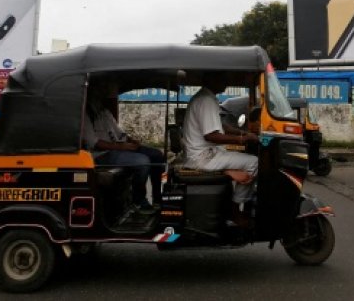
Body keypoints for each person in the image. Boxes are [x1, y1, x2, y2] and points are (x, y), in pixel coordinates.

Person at [182, 75, 259, 226]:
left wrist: (243, 134)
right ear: (212, 79)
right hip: (203, 157)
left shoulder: (205, 97)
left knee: (240, 157)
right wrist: (241, 140)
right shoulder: (206, 101)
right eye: (223, 78)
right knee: (254, 162)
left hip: (205, 153)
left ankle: (231, 188)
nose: (227, 81)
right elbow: (212, 135)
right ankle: (235, 211)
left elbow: (222, 127)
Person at [82, 84, 165, 213]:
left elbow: (119, 133)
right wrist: (121, 146)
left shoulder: (104, 112)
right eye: (99, 92)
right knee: (142, 161)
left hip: (118, 148)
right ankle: (138, 200)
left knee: (157, 155)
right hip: (101, 155)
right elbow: (94, 143)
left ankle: (157, 199)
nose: (102, 95)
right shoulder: (85, 115)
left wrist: (131, 141)